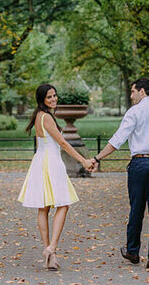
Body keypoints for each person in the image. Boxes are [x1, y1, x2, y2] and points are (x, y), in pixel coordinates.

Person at [90, 77, 149, 270]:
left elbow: (118, 140)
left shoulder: (135, 111)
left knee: (137, 208)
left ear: (142, 91)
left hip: (141, 162)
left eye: (133, 91)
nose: (131, 96)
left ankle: (133, 251)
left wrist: (97, 158)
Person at [17, 83, 97, 270]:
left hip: (41, 161)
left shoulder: (40, 115)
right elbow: (62, 142)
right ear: (42, 100)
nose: (54, 99)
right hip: (50, 162)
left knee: (44, 208)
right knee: (63, 204)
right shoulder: (46, 117)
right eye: (49, 97)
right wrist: (83, 161)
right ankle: (51, 247)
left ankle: (49, 253)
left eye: (54, 95)